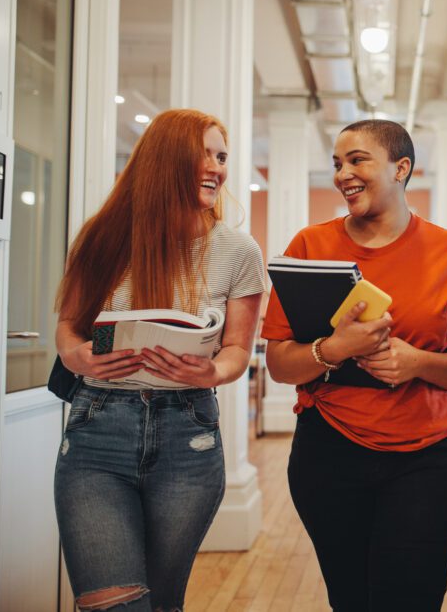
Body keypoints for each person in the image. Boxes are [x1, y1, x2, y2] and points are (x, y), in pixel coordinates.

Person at [53, 109, 266, 611]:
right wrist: (77, 355)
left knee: (163, 602)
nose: (217, 167)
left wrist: (212, 370)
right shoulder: (101, 237)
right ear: (165, 160)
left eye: (222, 156)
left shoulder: (239, 251)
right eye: (205, 154)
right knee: (115, 604)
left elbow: (237, 350)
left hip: (186, 438)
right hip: (97, 431)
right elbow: (67, 328)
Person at [262, 119, 447, 612]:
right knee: (350, 600)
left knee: (411, 601)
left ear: (402, 168)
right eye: (337, 163)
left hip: (429, 458)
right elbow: (277, 362)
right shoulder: (309, 247)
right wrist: (333, 349)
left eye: (358, 160)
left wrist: (417, 362)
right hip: (328, 453)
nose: (343, 174)